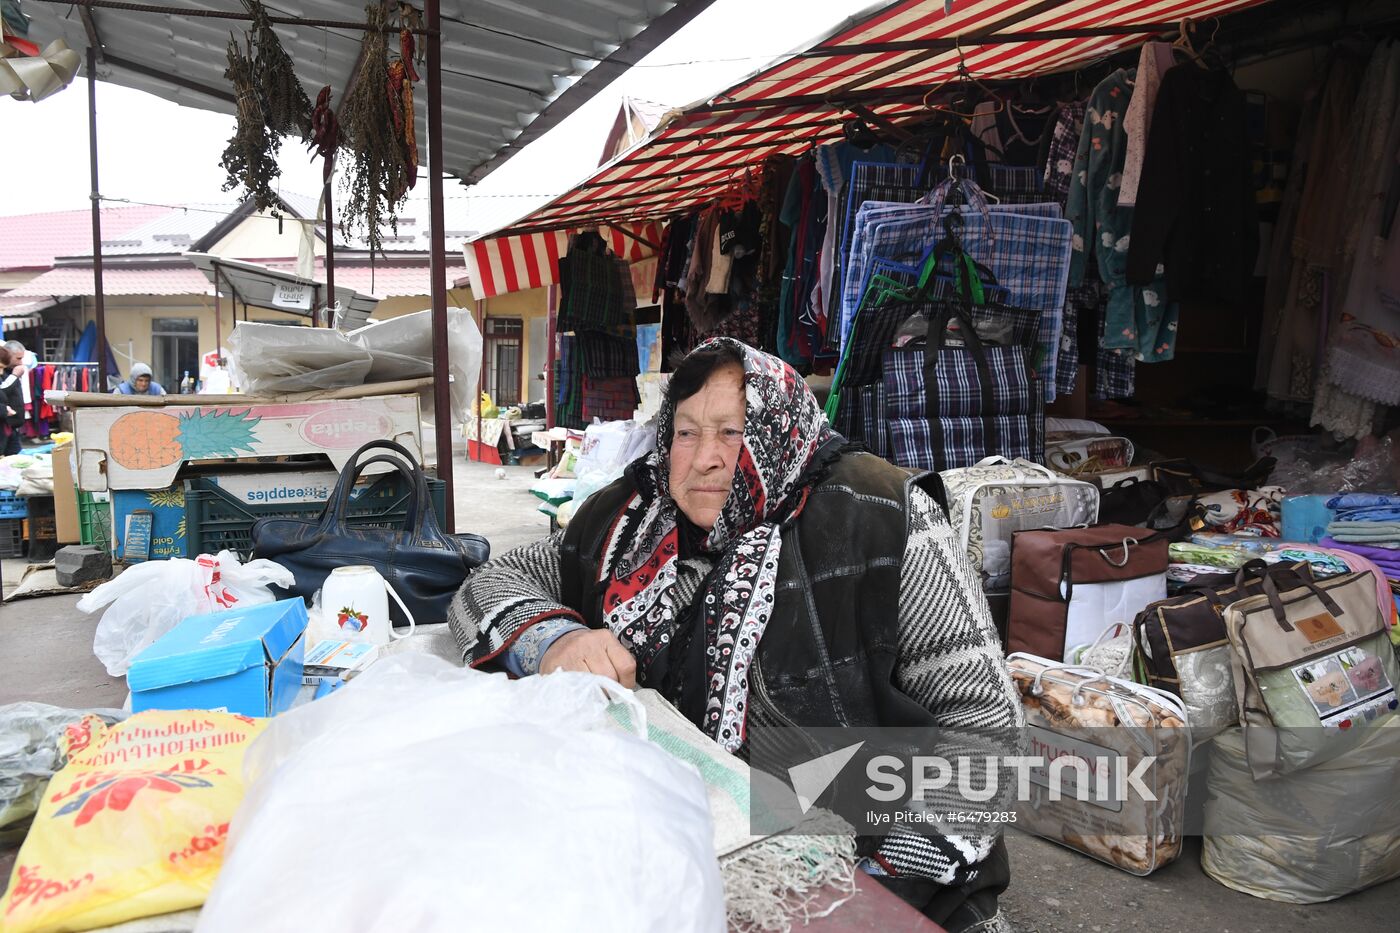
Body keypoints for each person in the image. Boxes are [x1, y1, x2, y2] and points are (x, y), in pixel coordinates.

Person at [450, 337, 1022, 932]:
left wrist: (863, 886)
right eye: (688, 432)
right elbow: (491, 584)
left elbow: (986, 728)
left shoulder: (879, 517)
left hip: (867, 866)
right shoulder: (627, 519)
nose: (704, 458)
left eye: (731, 432)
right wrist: (555, 641)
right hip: (671, 853)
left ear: (780, 428)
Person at [0, 346, 25, 455]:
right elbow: (3, 390)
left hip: (11, 426)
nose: (21, 362)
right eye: (18, 358)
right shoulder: (10, 374)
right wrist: (4, 410)